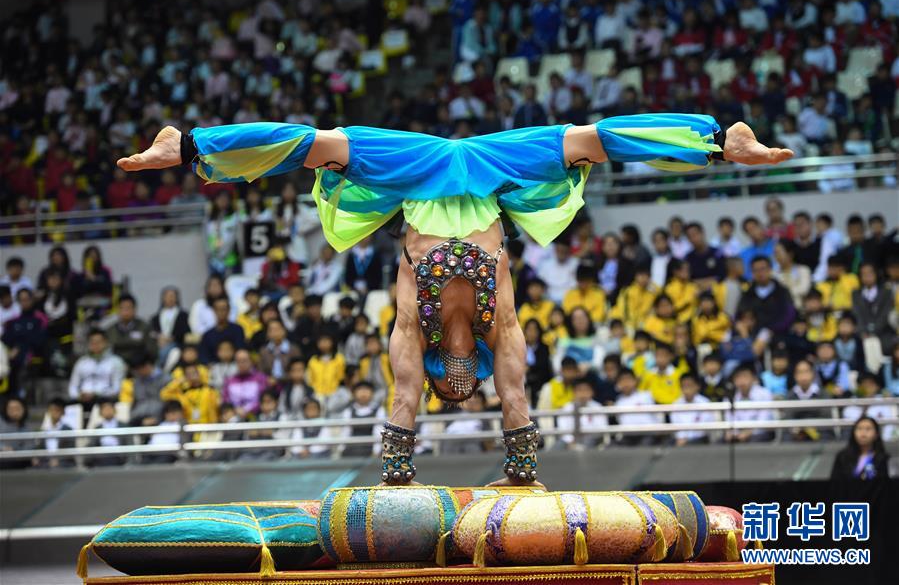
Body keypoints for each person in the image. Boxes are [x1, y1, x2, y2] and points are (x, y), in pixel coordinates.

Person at [119, 113, 793, 484]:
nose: (465, 369)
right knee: (593, 140)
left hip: (416, 168)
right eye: (467, 378)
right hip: (491, 168)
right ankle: (714, 140)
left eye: (457, 375)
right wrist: (522, 469)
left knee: (314, 145)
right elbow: (513, 387)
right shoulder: (496, 321)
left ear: (448, 369)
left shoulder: (415, 321)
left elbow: (404, 392)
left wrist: (397, 473)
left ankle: (187, 146)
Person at [68, 329, 126, 409]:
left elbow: (117, 388)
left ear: (106, 342)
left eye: (99, 342)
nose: (95, 345)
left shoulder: (116, 362)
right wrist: (78, 396)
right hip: (82, 399)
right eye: (92, 342)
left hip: (105, 399)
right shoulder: (81, 362)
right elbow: (73, 387)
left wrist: (96, 394)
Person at [737, 256, 796, 335]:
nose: (760, 273)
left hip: (778, 334)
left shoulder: (782, 291)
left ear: (770, 269)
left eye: (763, 269)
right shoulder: (747, 294)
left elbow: (789, 315)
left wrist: (771, 330)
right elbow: (740, 314)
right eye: (756, 270)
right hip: (753, 334)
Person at [726, 365, 775, 443]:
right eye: (738, 378)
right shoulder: (731, 396)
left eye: (745, 377)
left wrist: (748, 432)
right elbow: (730, 419)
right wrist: (732, 433)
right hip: (739, 434)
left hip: (760, 432)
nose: (742, 381)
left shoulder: (764, 393)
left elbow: (764, 420)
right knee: (721, 442)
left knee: (753, 441)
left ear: (753, 378)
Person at [613, 369, 661, 446]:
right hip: (628, 436)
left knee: (643, 447)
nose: (626, 383)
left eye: (628, 379)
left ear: (635, 381)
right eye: (622, 380)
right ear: (618, 384)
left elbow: (657, 415)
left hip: (648, 433)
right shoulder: (618, 402)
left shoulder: (646, 396)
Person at [106, 294, 157, 367]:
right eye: (122, 308)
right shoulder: (110, 330)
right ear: (117, 310)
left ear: (134, 310)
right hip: (116, 367)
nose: (125, 312)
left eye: (128, 308)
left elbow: (152, 351)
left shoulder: (145, 327)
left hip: (139, 367)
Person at [557, 379, 608, 449]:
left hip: (592, 439)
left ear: (592, 392)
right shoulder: (567, 408)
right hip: (570, 441)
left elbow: (602, 428)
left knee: (588, 442)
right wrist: (570, 441)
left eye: (586, 390)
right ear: (574, 392)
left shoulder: (597, 407)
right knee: (558, 445)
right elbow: (562, 429)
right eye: (579, 390)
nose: (583, 394)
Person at [339, 381, 385, 457]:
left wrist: (375, 452)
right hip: (351, 451)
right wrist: (342, 451)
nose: (363, 393)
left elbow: (378, 433)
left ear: (372, 393)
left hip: (370, 452)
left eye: (367, 390)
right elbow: (345, 433)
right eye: (360, 390)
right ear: (354, 393)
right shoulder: (348, 411)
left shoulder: (379, 410)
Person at [669, 373, 716, 446]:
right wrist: (681, 438)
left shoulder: (705, 402)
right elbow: (675, 426)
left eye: (690, 385)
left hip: (700, 438)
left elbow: (706, 427)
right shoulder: (675, 404)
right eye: (684, 386)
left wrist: (687, 439)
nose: (687, 389)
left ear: (697, 386)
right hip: (680, 440)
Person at [119, 356, 166, 425]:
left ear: (147, 366)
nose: (137, 373)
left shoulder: (166, 380)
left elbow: (169, 404)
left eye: (138, 370)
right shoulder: (136, 381)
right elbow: (134, 403)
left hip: (160, 418)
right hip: (139, 418)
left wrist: (158, 418)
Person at [198, 297, 246, 364]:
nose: (221, 312)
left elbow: (241, 350)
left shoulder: (237, 330)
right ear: (214, 311)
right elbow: (204, 356)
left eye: (224, 309)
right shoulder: (207, 335)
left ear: (229, 311)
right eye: (218, 309)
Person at [222, 349, 269, 418]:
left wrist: (247, 410)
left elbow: (263, 399)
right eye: (238, 361)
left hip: (257, 416)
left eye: (244, 361)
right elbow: (225, 400)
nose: (241, 364)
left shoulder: (260, 378)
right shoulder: (229, 381)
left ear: (251, 361)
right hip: (233, 417)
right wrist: (235, 410)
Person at [0, 397, 30, 470]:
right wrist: (3, 448)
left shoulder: (26, 427)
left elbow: (29, 446)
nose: (14, 411)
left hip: (18, 460)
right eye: (11, 408)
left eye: (17, 408)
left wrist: (16, 452)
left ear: (24, 409)